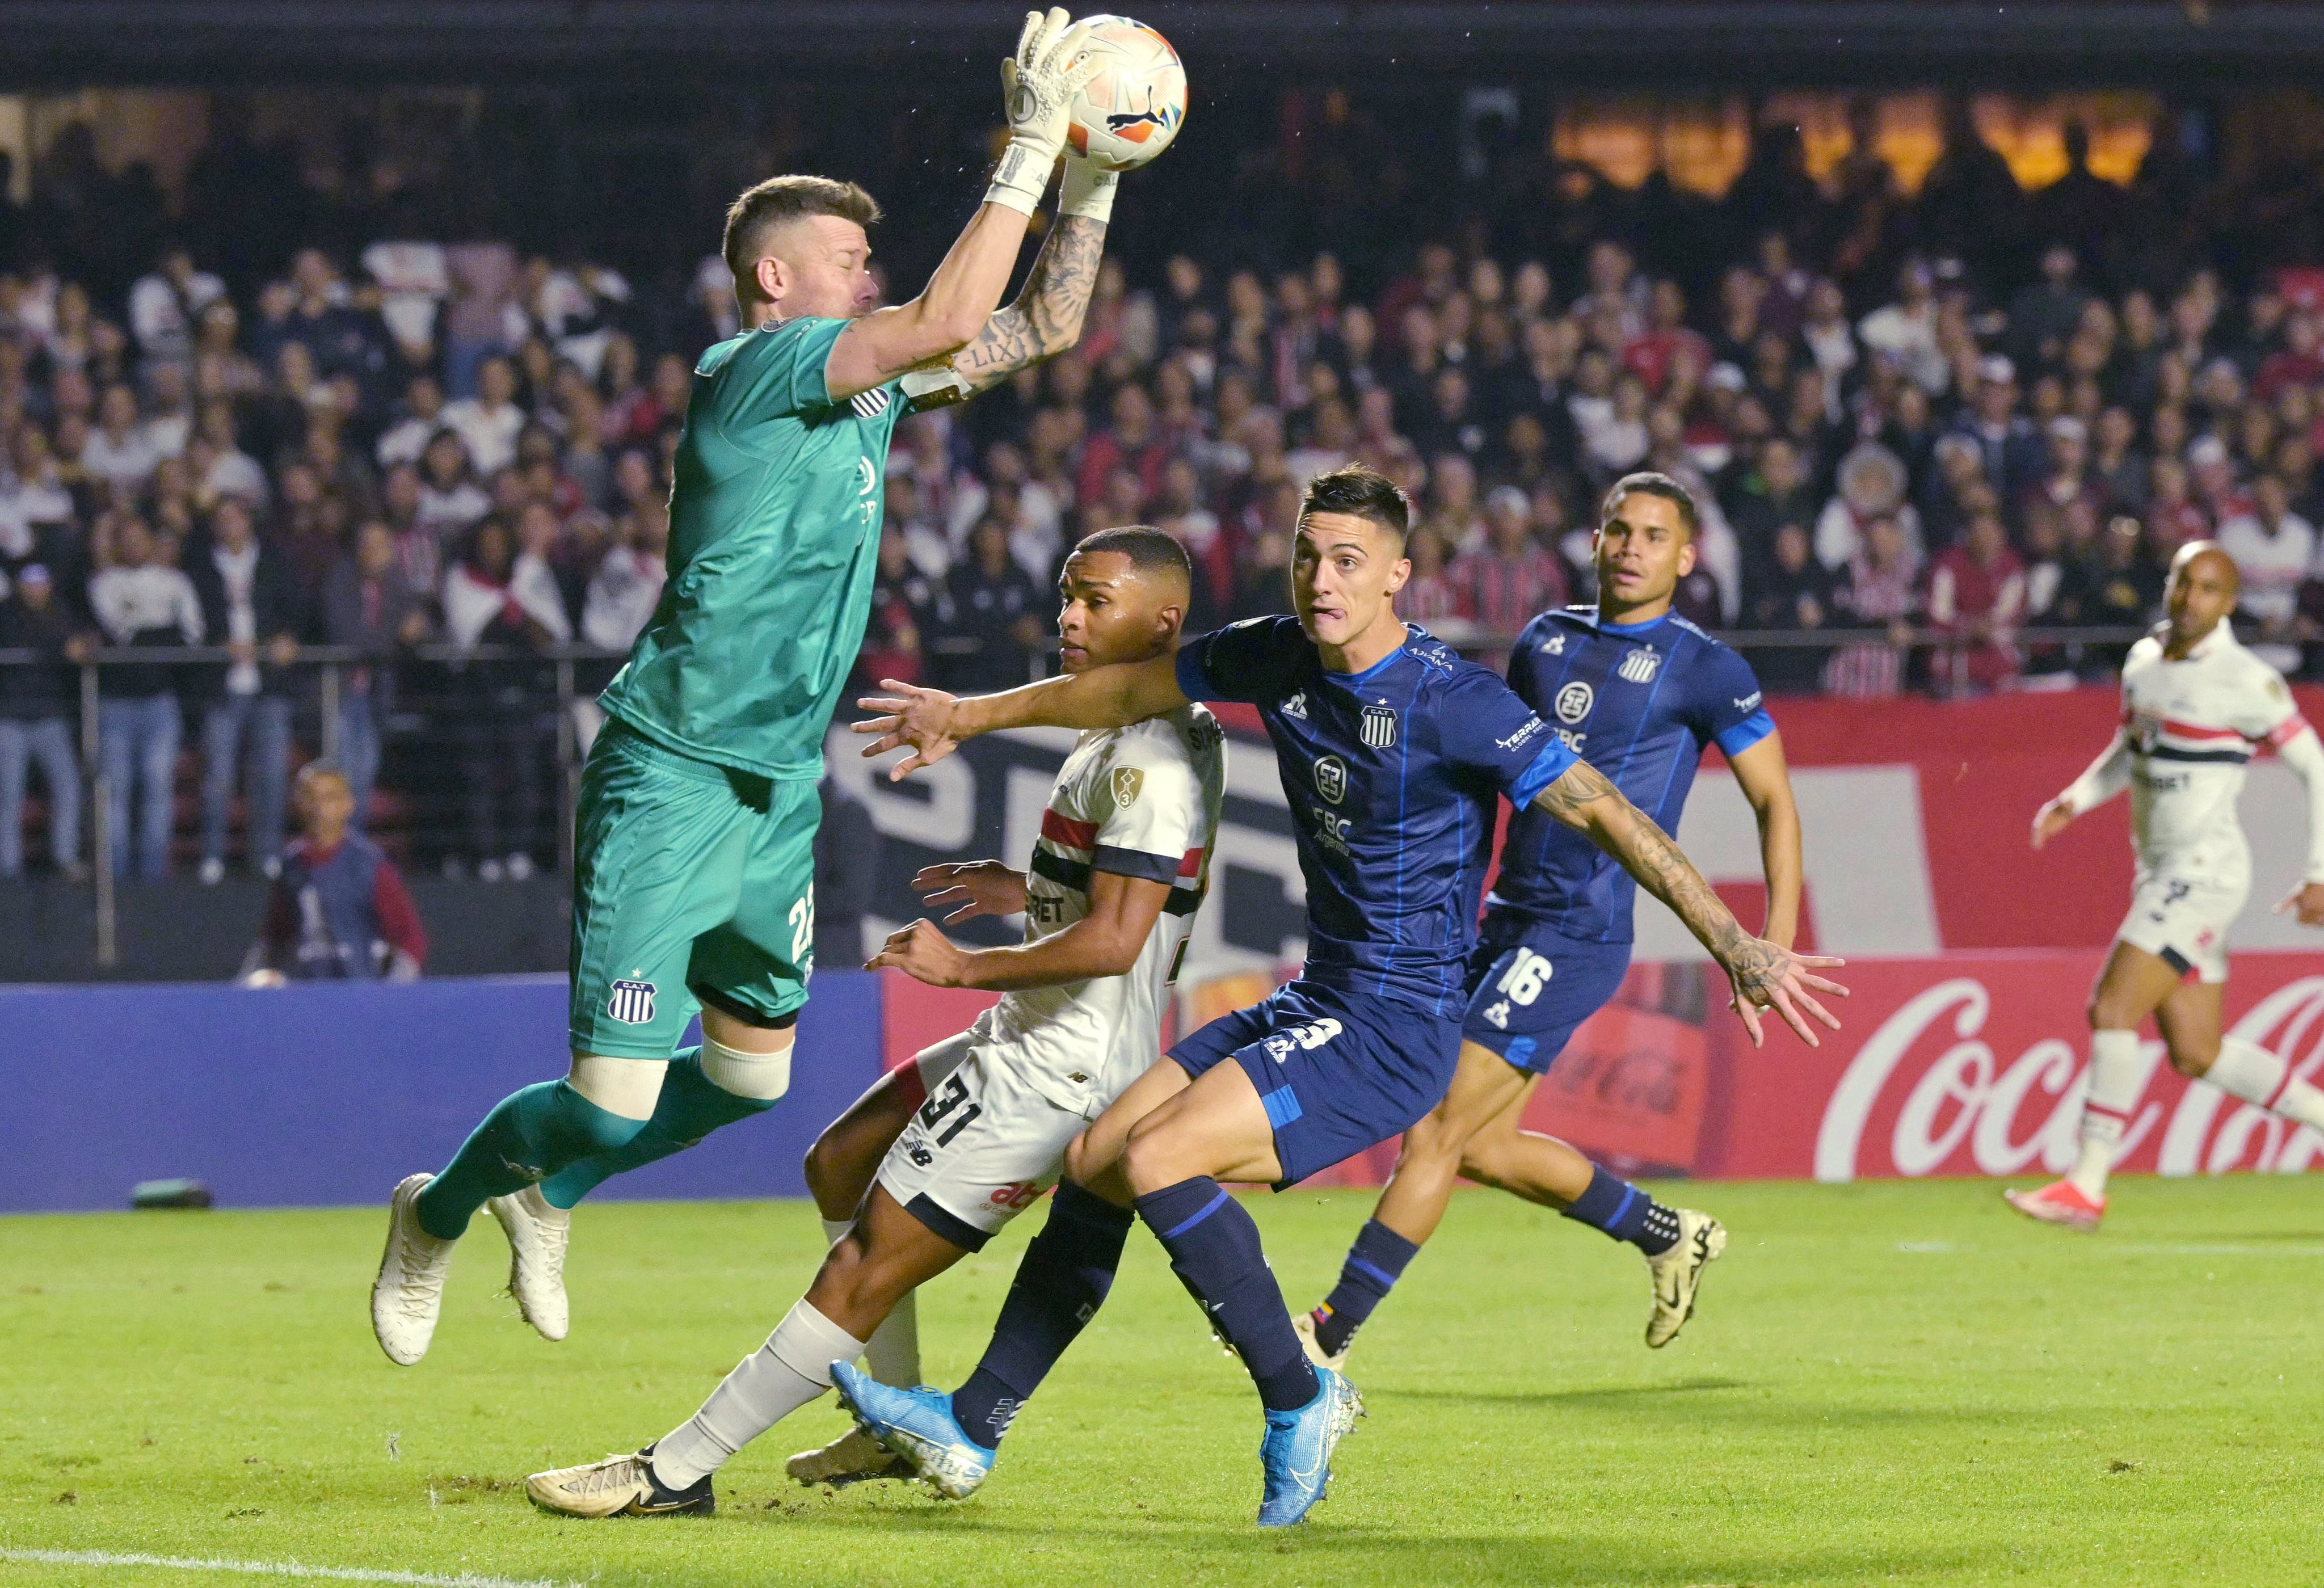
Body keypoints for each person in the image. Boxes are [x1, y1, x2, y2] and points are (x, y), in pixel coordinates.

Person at [842, 464, 1842, 1526]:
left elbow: (1605, 811)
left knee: (1157, 1157)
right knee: (1095, 1160)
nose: (1323, 578)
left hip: (1395, 1025)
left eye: (1350, 560)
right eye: (1309, 555)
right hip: (1319, 993)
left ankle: (1303, 1391)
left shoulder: (1455, 700)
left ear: (1397, 578)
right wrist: (971, 713)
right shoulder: (1278, 651)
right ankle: (973, 1421)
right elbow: (1124, 689)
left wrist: (1734, 937)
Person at [370, 9, 1117, 1368]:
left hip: (773, 780)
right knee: (607, 1100)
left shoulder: (866, 396)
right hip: (670, 766)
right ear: (776, 279)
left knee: (747, 1078)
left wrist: (1095, 169)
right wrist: (1024, 136)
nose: (869, 272)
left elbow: (1041, 324)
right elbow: (952, 312)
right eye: (848, 259)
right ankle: (444, 1207)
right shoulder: (757, 369)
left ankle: (552, 1192)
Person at [523, 527, 1222, 1518]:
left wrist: (962, 965)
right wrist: (1026, 887)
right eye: (1066, 592)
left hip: (1059, 1069)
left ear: (1163, 620)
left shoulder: (1153, 758)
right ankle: (886, 1421)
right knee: (841, 1160)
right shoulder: (1115, 728)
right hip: (1029, 1033)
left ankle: (673, 1469)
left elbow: (1118, 942)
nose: (1069, 614)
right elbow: (1122, 903)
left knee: (863, 1263)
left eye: (1096, 600)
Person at [1290, 474, 1801, 1372]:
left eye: (1654, 535)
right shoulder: (1545, 640)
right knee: (1481, 1146)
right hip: (1500, 916)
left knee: (1438, 1125)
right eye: (1618, 529)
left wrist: (1770, 943)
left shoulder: (1706, 668)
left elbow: (1776, 803)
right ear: (1596, 541)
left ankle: (1327, 1335)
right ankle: (1668, 1231)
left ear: (1686, 557)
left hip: (1579, 931)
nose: (1633, 547)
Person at [2010, 544, 2324, 1230]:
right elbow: (2134, 749)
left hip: (2204, 876)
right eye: (2183, 584)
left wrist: (2318, 873)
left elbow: (2313, 764)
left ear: (2229, 602)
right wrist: (2075, 798)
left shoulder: (2245, 680)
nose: (2191, 599)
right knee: (2195, 1052)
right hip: (2157, 871)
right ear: (2169, 585)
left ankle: (2085, 1186)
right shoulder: (2144, 662)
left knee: (2112, 1009)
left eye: (2209, 590)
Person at [190, 498, 304, 883]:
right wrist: (218, 645)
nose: (230, 524)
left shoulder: (274, 563)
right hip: (223, 687)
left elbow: (298, 612)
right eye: (222, 518)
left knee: (271, 774)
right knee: (218, 775)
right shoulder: (201, 569)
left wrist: (288, 639)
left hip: (268, 685)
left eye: (236, 516)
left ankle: (267, 854)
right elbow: (191, 623)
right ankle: (212, 855)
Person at [240, 763, 427, 983]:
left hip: (360, 992)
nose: (319, 808)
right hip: (308, 995)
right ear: (297, 802)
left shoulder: (369, 866)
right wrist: (245, 987)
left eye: (330, 798)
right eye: (311, 797)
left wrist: (389, 995)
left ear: (348, 804)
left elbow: (411, 939)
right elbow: (273, 939)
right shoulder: (291, 866)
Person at [89, 516, 202, 881]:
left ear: (152, 543)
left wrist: (149, 631)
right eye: (128, 540)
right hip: (115, 702)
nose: (136, 546)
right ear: (119, 545)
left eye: (142, 538)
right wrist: (162, 629)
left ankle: (153, 877)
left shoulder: (175, 582)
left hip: (160, 701)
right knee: (116, 791)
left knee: (158, 786)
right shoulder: (103, 583)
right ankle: (116, 876)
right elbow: (121, 634)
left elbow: (194, 635)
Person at [0, 564, 89, 880]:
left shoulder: (63, 613)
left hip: (50, 717)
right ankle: (7, 868)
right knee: (8, 795)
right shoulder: (7, 614)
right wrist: (60, 646)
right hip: (9, 718)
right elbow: (24, 636)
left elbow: (84, 642)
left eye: (41, 583)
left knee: (68, 787)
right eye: (30, 584)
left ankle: (64, 858)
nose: (35, 590)